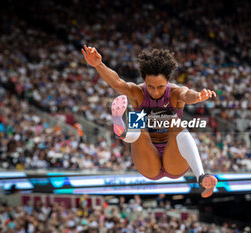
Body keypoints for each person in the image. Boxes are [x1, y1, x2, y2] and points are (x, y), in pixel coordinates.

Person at [82, 45, 218, 198]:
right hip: (148, 159)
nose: (155, 92)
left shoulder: (175, 92)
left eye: (160, 87)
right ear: (144, 82)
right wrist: (98, 65)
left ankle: (201, 177)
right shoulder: (138, 92)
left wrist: (198, 97)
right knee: (139, 120)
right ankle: (124, 130)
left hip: (174, 158)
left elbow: (188, 94)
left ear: (167, 82)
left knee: (175, 123)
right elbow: (118, 83)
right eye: (150, 86)